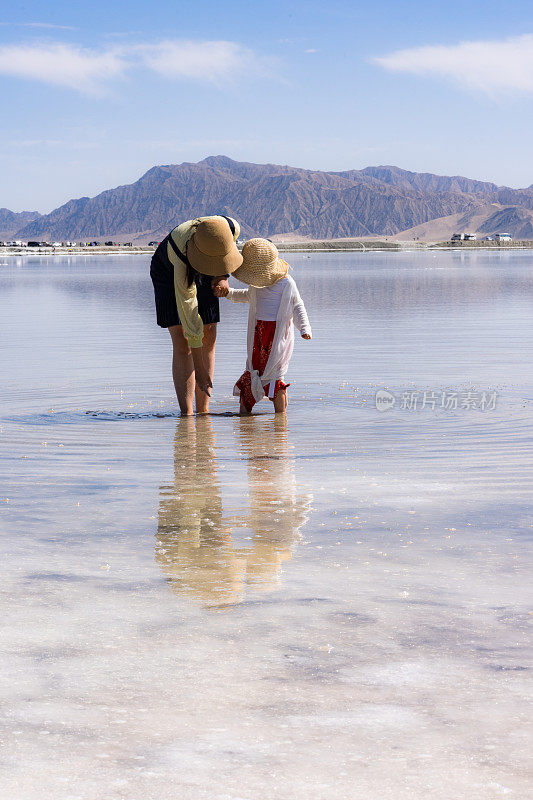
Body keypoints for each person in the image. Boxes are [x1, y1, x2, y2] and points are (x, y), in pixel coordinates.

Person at [150, 215, 242, 415]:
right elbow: (189, 315)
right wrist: (199, 370)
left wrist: (222, 276)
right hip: (168, 270)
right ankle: (187, 414)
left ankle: (204, 412)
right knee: (183, 340)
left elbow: (226, 252)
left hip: (208, 256)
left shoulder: (231, 227)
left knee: (209, 334)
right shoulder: (181, 255)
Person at [214, 238, 311, 414]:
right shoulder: (257, 285)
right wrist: (228, 293)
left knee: (274, 375)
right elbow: (247, 296)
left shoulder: (286, 284)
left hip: (276, 338)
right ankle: (244, 415)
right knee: (253, 372)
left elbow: (297, 306)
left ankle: (280, 421)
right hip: (257, 335)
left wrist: (304, 328)